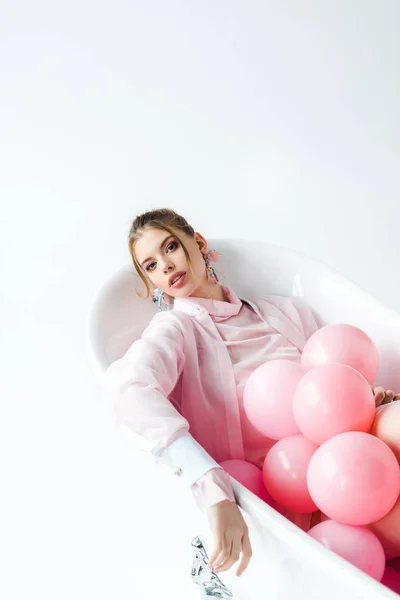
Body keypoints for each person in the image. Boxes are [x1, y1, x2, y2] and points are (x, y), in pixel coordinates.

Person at [104, 208, 400, 579]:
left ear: (198, 243)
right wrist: (209, 485)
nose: (165, 265)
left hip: (354, 460)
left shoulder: (282, 311)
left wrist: (365, 396)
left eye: (171, 247)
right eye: (150, 265)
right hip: (297, 497)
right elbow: (129, 392)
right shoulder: (175, 330)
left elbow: (326, 394)